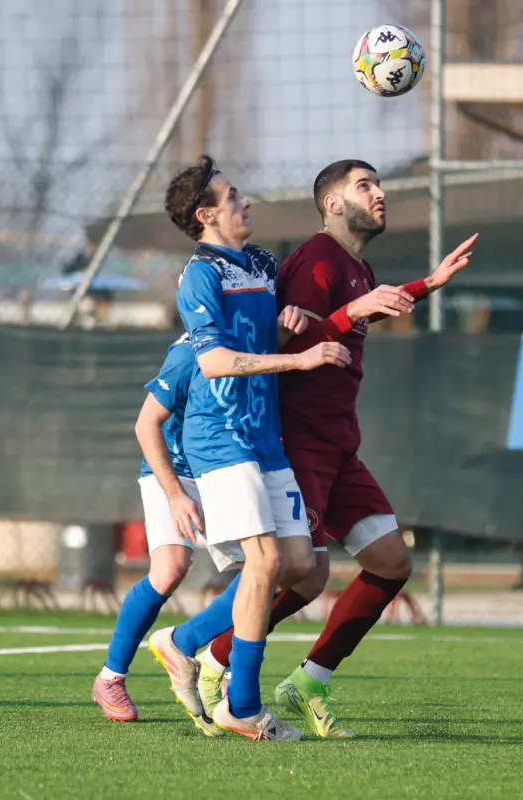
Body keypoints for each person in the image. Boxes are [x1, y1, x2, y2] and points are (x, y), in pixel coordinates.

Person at [194, 159, 476, 738]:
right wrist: (355, 311)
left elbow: (357, 313)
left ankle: (308, 681)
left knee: (391, 562)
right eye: (364, 186)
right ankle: (211, 655)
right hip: (300, 441)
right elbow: (290, 348)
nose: (380, 194)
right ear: (331, 204)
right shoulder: (315, 262)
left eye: (379, 184)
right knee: (295, 575)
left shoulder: (357, 265)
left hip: (340, 444)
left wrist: (429, 283)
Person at [148, 154, 350, 741]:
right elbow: (213, 362)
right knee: (263, 563)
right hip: (220, 440)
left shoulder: (262, 262)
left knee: (300, 567)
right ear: (206, 214)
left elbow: (256, 339)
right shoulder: (200, 275)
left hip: (265, 439)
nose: (247, 202)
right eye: (234, 196)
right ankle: (242, 704)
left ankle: (184, 642)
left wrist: (284, 330)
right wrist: (299, 356)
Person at [90, 334, 242, 736]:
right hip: (175, 472)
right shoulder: (190, 348)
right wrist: (175, 495)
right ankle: (110, 677)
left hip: (226, 467)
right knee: (171, 567)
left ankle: (218, 662)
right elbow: (146, 425)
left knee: (270, 571)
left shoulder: (257, 336)